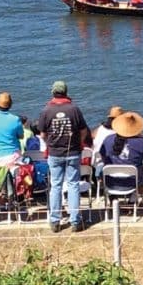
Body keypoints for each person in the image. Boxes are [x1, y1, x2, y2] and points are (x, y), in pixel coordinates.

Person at [37, 80, 89, 233]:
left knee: (56, 186)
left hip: (54, 153)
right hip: (73, 152)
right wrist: (78, 143)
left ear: (53, 93)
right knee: (73, 185)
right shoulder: (74, 109)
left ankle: (55, 221)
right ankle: (75, 220)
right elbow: (83, 130)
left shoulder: (46, 110)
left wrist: (49, 144)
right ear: (66, 92)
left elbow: (42, 134)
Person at [91, 106, 124, 177]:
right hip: (107, 165)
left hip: (95, 163)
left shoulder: (100, 128)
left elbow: (92, 137)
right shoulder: (116, 133)